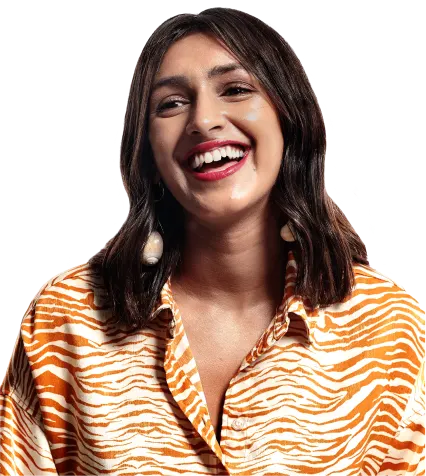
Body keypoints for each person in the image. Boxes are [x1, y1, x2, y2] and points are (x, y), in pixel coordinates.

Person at [1, 7, 425, 475]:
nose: (203, 120)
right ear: (148, 153)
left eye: (236, 89)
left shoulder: (392, 330)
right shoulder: (69, 318)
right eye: (171, 104)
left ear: (289, 119)